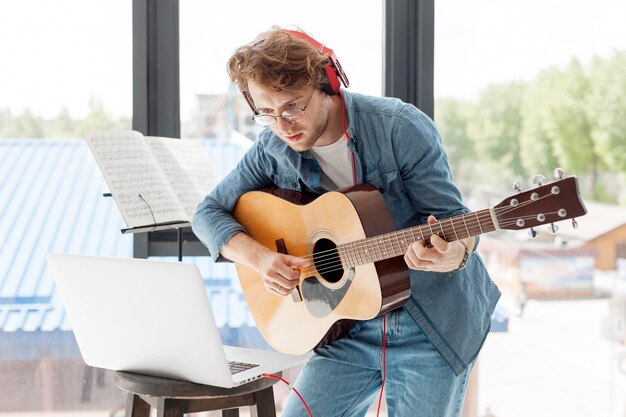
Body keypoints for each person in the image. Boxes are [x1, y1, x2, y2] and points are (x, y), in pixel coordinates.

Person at [192, 27, 501, 417]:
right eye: (266, 114)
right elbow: (207, 213)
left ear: (327, 83)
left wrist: (451, 254)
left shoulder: (398, 127)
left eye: (292, 107)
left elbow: (456, 221)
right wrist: (260, 259)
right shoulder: (273, 146)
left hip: (430, 324)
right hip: (347, 324)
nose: (283, 126)